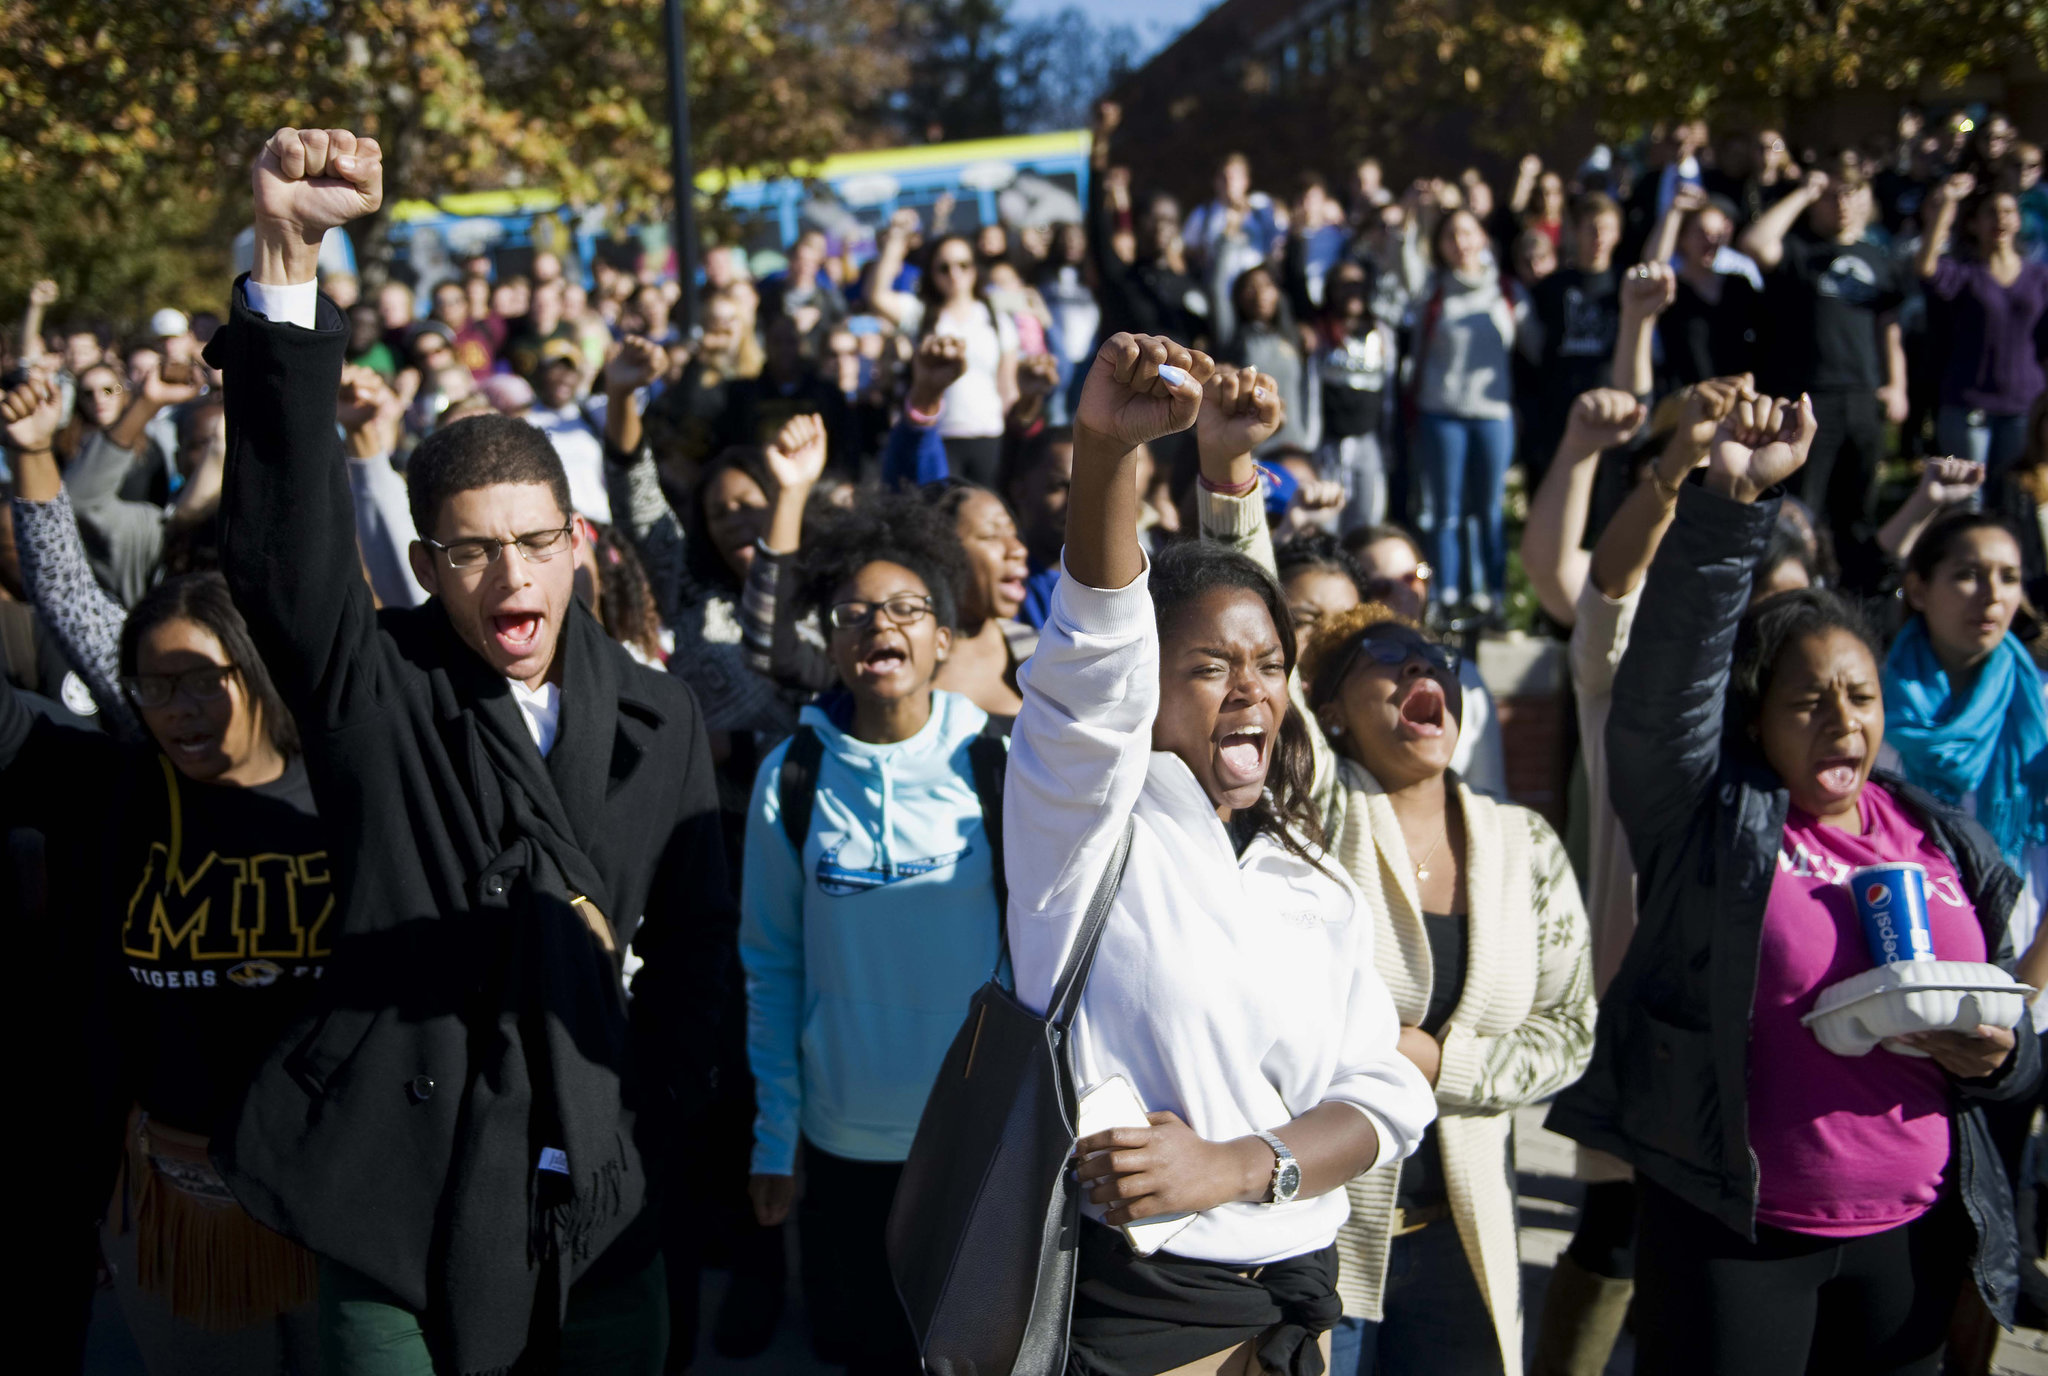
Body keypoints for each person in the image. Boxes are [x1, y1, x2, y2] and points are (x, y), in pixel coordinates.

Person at [206, 127, 734, 1375]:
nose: (511, 576)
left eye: (536, 542)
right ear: (424, 564)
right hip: (391, 1188)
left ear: (578, 543)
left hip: (596, 1189)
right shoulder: (373, 682)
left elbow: (699, 954)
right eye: (473, 550)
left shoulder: (659, 718)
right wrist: (288, 256)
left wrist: (652, 1108)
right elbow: (282, 550)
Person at [1548, 388, 2041, 1376]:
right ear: (1755, 721)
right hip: (1738, 1236)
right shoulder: (1710, 821)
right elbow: (1663, 694)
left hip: (1910, 1238)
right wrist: (1730, 501)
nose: (1840, 720)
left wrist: (1997, 1058)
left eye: (1859, 696)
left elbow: (2018, 1036)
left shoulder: (1942, 838)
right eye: (1807, 700)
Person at [1008, 332, 1436, 1373]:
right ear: (1146, 689)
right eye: (1208, 666)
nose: (1249, 687)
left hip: (1300, 1302)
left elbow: (1383, 1098)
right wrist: (1107, 449)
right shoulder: (1085, 831)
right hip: (1139, 1313)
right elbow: (1094, 655)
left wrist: (1241, 1164)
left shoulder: (1311, 876)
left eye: (1269, 664)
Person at [5, 375, 328, 1374]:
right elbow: (68, 597)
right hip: (182, 1216)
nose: (179, 709)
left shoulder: (350, 781)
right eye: (153, 686)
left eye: (201, 682)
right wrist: (33, 454)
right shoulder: (126, 787)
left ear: (254, 672)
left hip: (342, 1207)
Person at [740, 492, 1000, 1376]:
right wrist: (775, 1138)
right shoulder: (793, 776)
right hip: (842, 1144)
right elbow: (771, 965)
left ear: (943, 637)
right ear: (831, 641)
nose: (877, 625)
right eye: (852, 613)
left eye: (904, 608)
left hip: (971, 1142)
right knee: (863, 1354)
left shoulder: (996, 767)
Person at [1303, 602, 1594, 1376]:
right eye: (1385, 655)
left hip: (1463, 1238)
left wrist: (1442, 1064)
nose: (1420, 665)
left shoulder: (1526, 844)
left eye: (1438, 658)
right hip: (1325, 1237)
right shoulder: (1313, 815)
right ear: (1330, 712)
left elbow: (1571, 1029)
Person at [1740, 165, 1910, 589]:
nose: (1841, 203)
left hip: (1863, 396)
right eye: (1831, 196)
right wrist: (1805, 191)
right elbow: (1754, 243)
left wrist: (1897, 385)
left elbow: (1888, 329)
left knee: (1858, 506)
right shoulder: (1799, 251)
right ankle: (1798, 586)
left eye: (1850, 193)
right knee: (1802, 506)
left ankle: (1856, 590)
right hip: (1809, 398)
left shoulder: (1877, 258)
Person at [1410, 208, 1527, 614]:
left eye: (1467, 232)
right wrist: (1411, 221)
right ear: (1440, 245)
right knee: (1446, 510)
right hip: (1442, 413)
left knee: (1489, 509)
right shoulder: (1433, 290)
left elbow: (1536, 344)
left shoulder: (1507, 291)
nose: (1460, 242)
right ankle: (1444, 593)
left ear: (1483, 238)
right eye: (1451, 235)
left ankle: (1491, 594)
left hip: (1494, 414)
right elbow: (1404, 270)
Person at [1915, 172, 2048, 476]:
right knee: (1968, 493)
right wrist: (1946, 205)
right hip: (1968, 404)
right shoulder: (1964, 274)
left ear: (2019, 220)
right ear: (1974, 224)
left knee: (2016, 490)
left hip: (2025, 404)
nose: (2000, 219)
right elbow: (1926, 267)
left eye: (2008, 211)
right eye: (1991, 212)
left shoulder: (2040, 278)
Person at [869, 230, 1019, 486]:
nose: (954, 273)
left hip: (990, 435)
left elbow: (1008, 388)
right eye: (944, 267)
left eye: (963, 265)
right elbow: (877, 296)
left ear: (975, 268)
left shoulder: (996, 318)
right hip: (939, 437)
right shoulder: (921, 314)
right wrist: (895, 240)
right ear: (932, 273)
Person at [1520, 193, 1624, 488]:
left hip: (1611, 411)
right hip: (1559, 413)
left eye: (1606, 228)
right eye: (1591, 228)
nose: (1599, 237)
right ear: (1575, 232)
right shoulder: (1551, 288)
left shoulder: (1625, 286)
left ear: (1618, 234)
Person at [1305, 262, 1397, 529]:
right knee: (1326, 524)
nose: (1352, 292)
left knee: (1368, 522)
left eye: (1358, 285)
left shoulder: (1382, 333)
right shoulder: (1319, 332)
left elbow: (1390, 394)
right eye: (1343, 285)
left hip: (1369, 443)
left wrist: (1389, 442)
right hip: (1328, 445)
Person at [1222, 264, 1316, 457]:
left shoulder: (1293, 337)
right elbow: (1217, 287)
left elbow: (1308, 391)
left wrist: (1309, 438)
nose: (1260, 294)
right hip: (1255, 448)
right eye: (1251, 287)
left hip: (1295, 445)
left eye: (1267, 285)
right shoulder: (1234, 338)